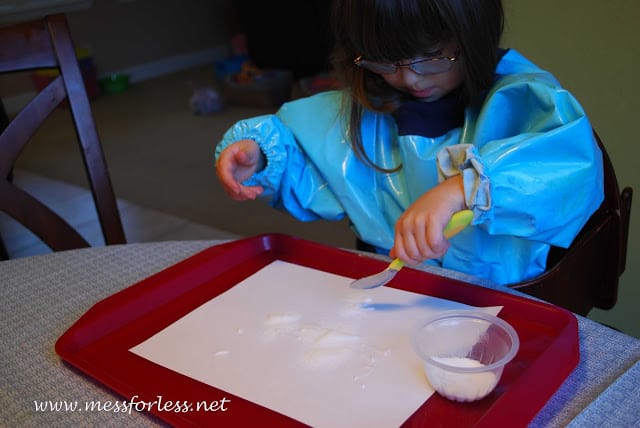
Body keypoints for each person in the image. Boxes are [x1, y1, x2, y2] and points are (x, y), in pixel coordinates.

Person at [214, 0, 604, 285]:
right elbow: (307, 152)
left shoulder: (522, 98)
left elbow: (565, 169)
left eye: (432, 57)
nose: (410, 79)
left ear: (473, 36)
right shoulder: (367, 107)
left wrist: (467, 187)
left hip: (504, 295)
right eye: (385, 61)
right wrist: (261, 156)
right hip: (401, 290)